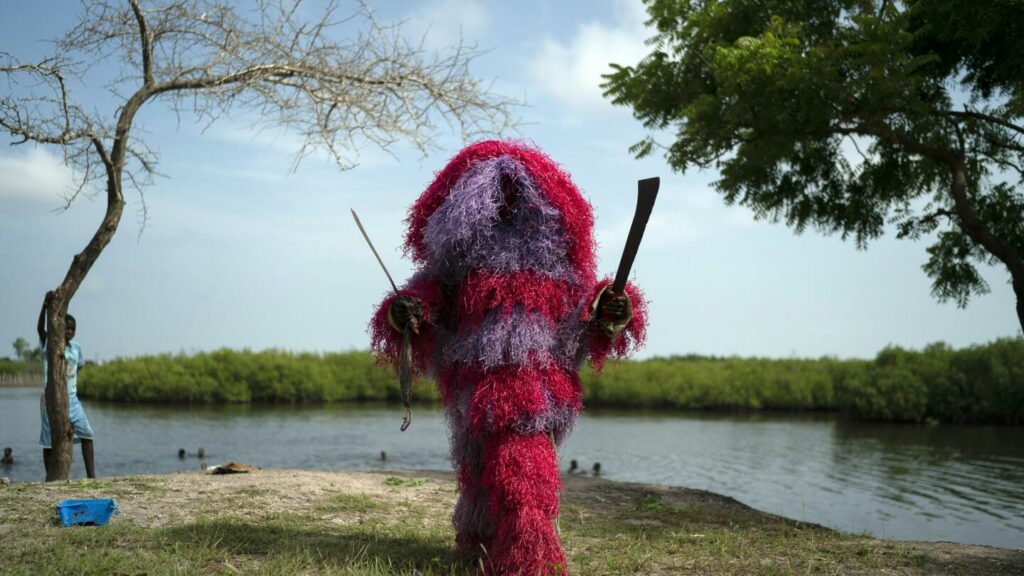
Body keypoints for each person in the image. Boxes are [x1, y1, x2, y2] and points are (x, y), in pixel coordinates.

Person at [370, 140, 647, 575]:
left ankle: (526, 559)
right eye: (494, 196)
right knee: (477, 465)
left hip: (534, 391)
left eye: (519, 194)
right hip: (474, 387)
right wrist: (406, 310)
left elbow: (587, 315)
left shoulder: (562, 270)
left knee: (524, 478)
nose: (507, 206)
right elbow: (428, 301)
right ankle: (477, 542)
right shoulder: (455, 269)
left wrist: (613, 306)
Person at [37, 291, 95, 479]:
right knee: (49, 442)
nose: (69, 331)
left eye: (72, 329)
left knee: (87, 434)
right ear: (60, 328)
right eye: (66, 328)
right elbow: (40, 329)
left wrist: (70, 384)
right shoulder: (52, 343)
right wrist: (45, 307)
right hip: (51, 399)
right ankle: (51, 479)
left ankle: (91, 476)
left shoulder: (76, 348)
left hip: (72, 398)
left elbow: (78, 367)